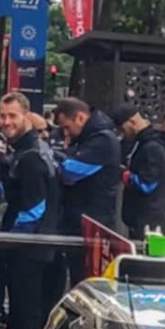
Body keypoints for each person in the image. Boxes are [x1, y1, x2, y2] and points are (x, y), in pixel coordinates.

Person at [0, 93, 65, 329]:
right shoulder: (33, 150)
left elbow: (35, 209)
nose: (6, 121)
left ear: (27, 117)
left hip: (30, 248)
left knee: (27, 318)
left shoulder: (30, 156)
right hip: (41, 246)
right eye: (2, 116)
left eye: (12, 115)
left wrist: (10, 239)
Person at [52, 97, 121, 231]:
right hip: (85, 216)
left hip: (92, 221)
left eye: (67, 127)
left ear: (80, 118)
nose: (66, 133)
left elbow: (69, 172)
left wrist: (56, 156)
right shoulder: (90, 138)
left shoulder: (102, 140)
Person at [117, 105, 165, 238]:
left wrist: (124, 174)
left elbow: (147, 185)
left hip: (147, 220)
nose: (123, 134)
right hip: (142, 217)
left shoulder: (151, 147)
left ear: (132, 122)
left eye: (123, 129)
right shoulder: (143, 143)